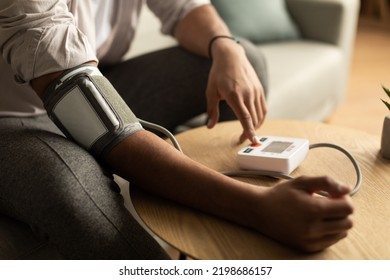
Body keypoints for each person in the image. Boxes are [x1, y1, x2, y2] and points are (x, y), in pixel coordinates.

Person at [0, 0, 353, 259]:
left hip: (95, 76)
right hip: (14, 115)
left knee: (243, 60)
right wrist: (258, 208)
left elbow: (185, 8)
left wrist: (224, 46)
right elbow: (84, 106)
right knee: (75, 192)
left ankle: (222, 232)